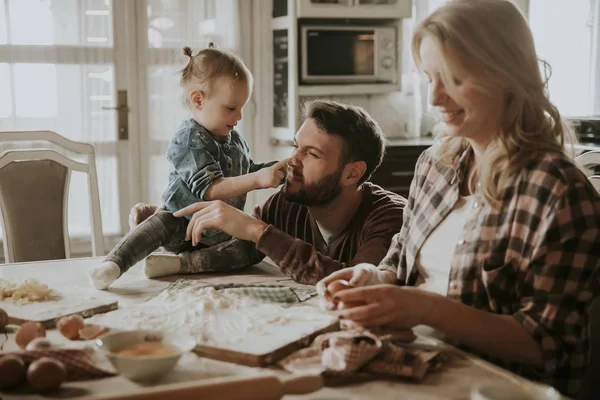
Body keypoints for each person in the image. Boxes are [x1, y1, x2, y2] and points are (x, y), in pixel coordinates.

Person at [316, 1, 600, 398]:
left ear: (506, 75)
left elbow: (548, 345)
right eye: (430, 77)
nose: (434, 97)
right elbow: (399, 262)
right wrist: (374, 279)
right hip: (410, 370)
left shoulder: (559, 193)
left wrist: (424, 309)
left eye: (452, 78)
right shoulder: (436, 163)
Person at [131, 100, 407, 285]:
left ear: (352, 173)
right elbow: (238, 249)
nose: (292, 161)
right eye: (295, 146)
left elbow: (356, 284)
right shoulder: (289, 203)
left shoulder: (391, 218)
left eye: (311, 154)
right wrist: (171, 225)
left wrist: (258, 231)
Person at [88, 43, 285, 290]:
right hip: (183, 225)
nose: (239, 117)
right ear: (198, 100)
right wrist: (258, 179)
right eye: (231, 108)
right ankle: (114, 265)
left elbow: (246, 172)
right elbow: (211, 189)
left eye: (242, 108)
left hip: (219, 232)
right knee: (162, 223)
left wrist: (278, 169)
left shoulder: (235, 139)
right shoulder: (188, 139)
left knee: (256, 246)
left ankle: (179, 264)